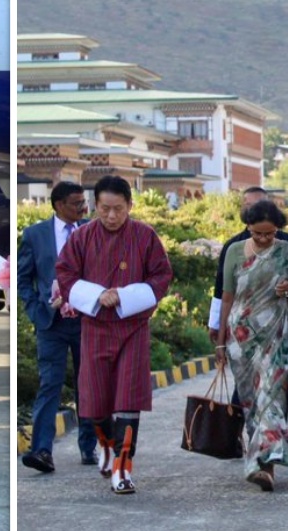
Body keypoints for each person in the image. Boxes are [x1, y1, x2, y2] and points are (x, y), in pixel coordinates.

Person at [55, 175, 173, 495]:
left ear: (130, 206)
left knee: (128, 397)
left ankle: (124, 465)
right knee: (93, 401)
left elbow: (162, 275)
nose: (110, 216)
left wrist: (125, 295)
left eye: (118, 209)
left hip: (132, 326)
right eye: (104, 209)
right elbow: (65, 273)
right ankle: (105, 444)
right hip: (94, 326)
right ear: (95, 206)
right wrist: (97, 295)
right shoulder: (81, 238)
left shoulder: (145, 236)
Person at [216, 200, 288, 491]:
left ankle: (265, 465)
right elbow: (227, 296)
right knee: (251, 403)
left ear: (278, 229)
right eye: (257, 234)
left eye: (269, 234)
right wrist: (220, 341)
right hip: (241, 338)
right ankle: (259, 460)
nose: (264, 239)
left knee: (272, 398)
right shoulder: (234, 252)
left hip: (276, 336)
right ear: (247, 228)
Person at [18, 181, 98, 473]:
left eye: (84, 202)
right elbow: (23, 278)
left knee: (86, 384)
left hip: (86, 321)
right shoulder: (35, 235)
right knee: (49, 383)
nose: (83, 208)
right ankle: (41, 450)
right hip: (50, 324)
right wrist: (35, 309)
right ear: (59, 205)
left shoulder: (93, 231)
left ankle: (88, 446)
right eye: (77, 203)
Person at [209, 187, 288, 340]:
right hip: (242, 331)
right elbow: (222, 289)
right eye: (250, 206)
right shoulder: (233, 247)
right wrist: (215, 325)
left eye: (261, 204)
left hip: (281, 329)